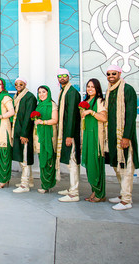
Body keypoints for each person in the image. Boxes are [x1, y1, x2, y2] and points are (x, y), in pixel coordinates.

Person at [105, 65, 139, 211]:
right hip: (111, 136)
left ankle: (126, 200)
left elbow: (131, 115)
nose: (111, 76)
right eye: (108, 74)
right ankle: (122, 194)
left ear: (119, 73)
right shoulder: (109, 91)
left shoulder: (127, 89)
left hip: (123, 137)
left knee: (126, 167)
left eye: (114, 73)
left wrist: (126, 137)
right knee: (117, 167)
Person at [56, 68, 82, 203]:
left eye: (64, 76)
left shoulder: (72, 93)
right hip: (66, 132)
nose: (61, 78)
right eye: (59, 76)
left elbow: (72, 115)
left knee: (72, 162)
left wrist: (69, 135)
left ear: (68, 77)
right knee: (70, 163)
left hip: (70, 134)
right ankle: (72, 188)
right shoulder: (63, 91)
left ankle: (74, 193)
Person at [81, 78, 108, 202]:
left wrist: (91, 112)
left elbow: (103, 118)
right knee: (89, 165)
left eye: (92, 87)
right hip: (87, 135)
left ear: (97, 89)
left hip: (96, 137)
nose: (90, 89)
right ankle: (93, 191)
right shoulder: (86, 101)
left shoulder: (99, 101)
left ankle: (100, 193)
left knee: (96, 165)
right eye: (88, 86)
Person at [11, 77, 37, 193]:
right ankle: (29, 180)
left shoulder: (29, 97)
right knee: (21, 157)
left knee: (24, 158)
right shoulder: (16, 97)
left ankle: (24, 185)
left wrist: (24, 133)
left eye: (21, 84)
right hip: (17, 131)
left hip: (24, 132)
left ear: (25, 84)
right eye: (16, 84)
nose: (18, 86)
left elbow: (28, 117)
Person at [34, 85, 59, 193]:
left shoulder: (52, 105)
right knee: (42, 158)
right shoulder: (39, 105)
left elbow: (55, 120)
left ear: (48, 93)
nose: (41, 94)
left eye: (44, 92)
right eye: (39, 92)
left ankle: (47, 185)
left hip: (49, 135)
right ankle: (44, 184)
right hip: (39, 135)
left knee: (49, 159)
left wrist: (42, 122)